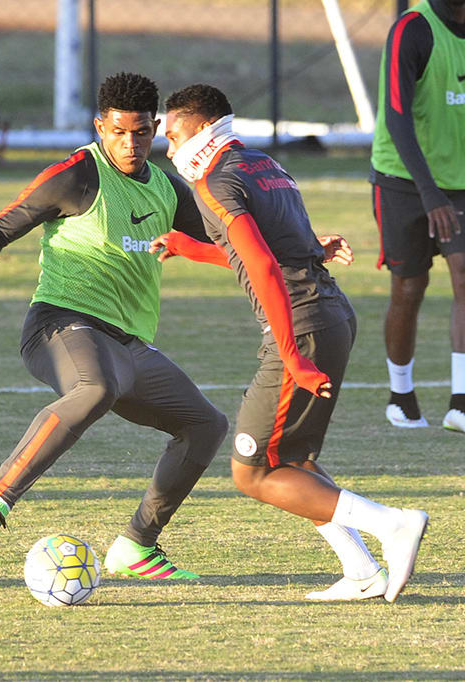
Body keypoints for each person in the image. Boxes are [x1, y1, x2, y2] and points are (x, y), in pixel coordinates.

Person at [0, 72, 228, 580]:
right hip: (59, 324)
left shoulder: (167, 188)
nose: (130, 144)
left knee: (205, 424)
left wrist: (302, 246)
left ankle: (136, 546)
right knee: (96, 386)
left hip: (127, 345)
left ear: (155, 128)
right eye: (119, 132)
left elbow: (229, 236)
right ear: (99, 126)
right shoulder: (78, 175)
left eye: (141, 133)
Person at [152, 83, 429, 602]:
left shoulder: (213, 182)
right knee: (294, 459)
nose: (168, 147)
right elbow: (265, 252)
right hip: (330, 314)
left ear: (201, 128)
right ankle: (362, 570)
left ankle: (392, 524)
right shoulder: (266, 165)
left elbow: (260, 265)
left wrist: (292, 357)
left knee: (252, 471)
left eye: (172, 134)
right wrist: (192, 247)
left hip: (304, 325)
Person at [370, 0, 465, 430]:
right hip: (404, 180)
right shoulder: (413, 28)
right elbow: (396, 117)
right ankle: (400, 395)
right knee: (410, 288)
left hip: (460, 180)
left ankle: (461, 402)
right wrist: (429, 193)